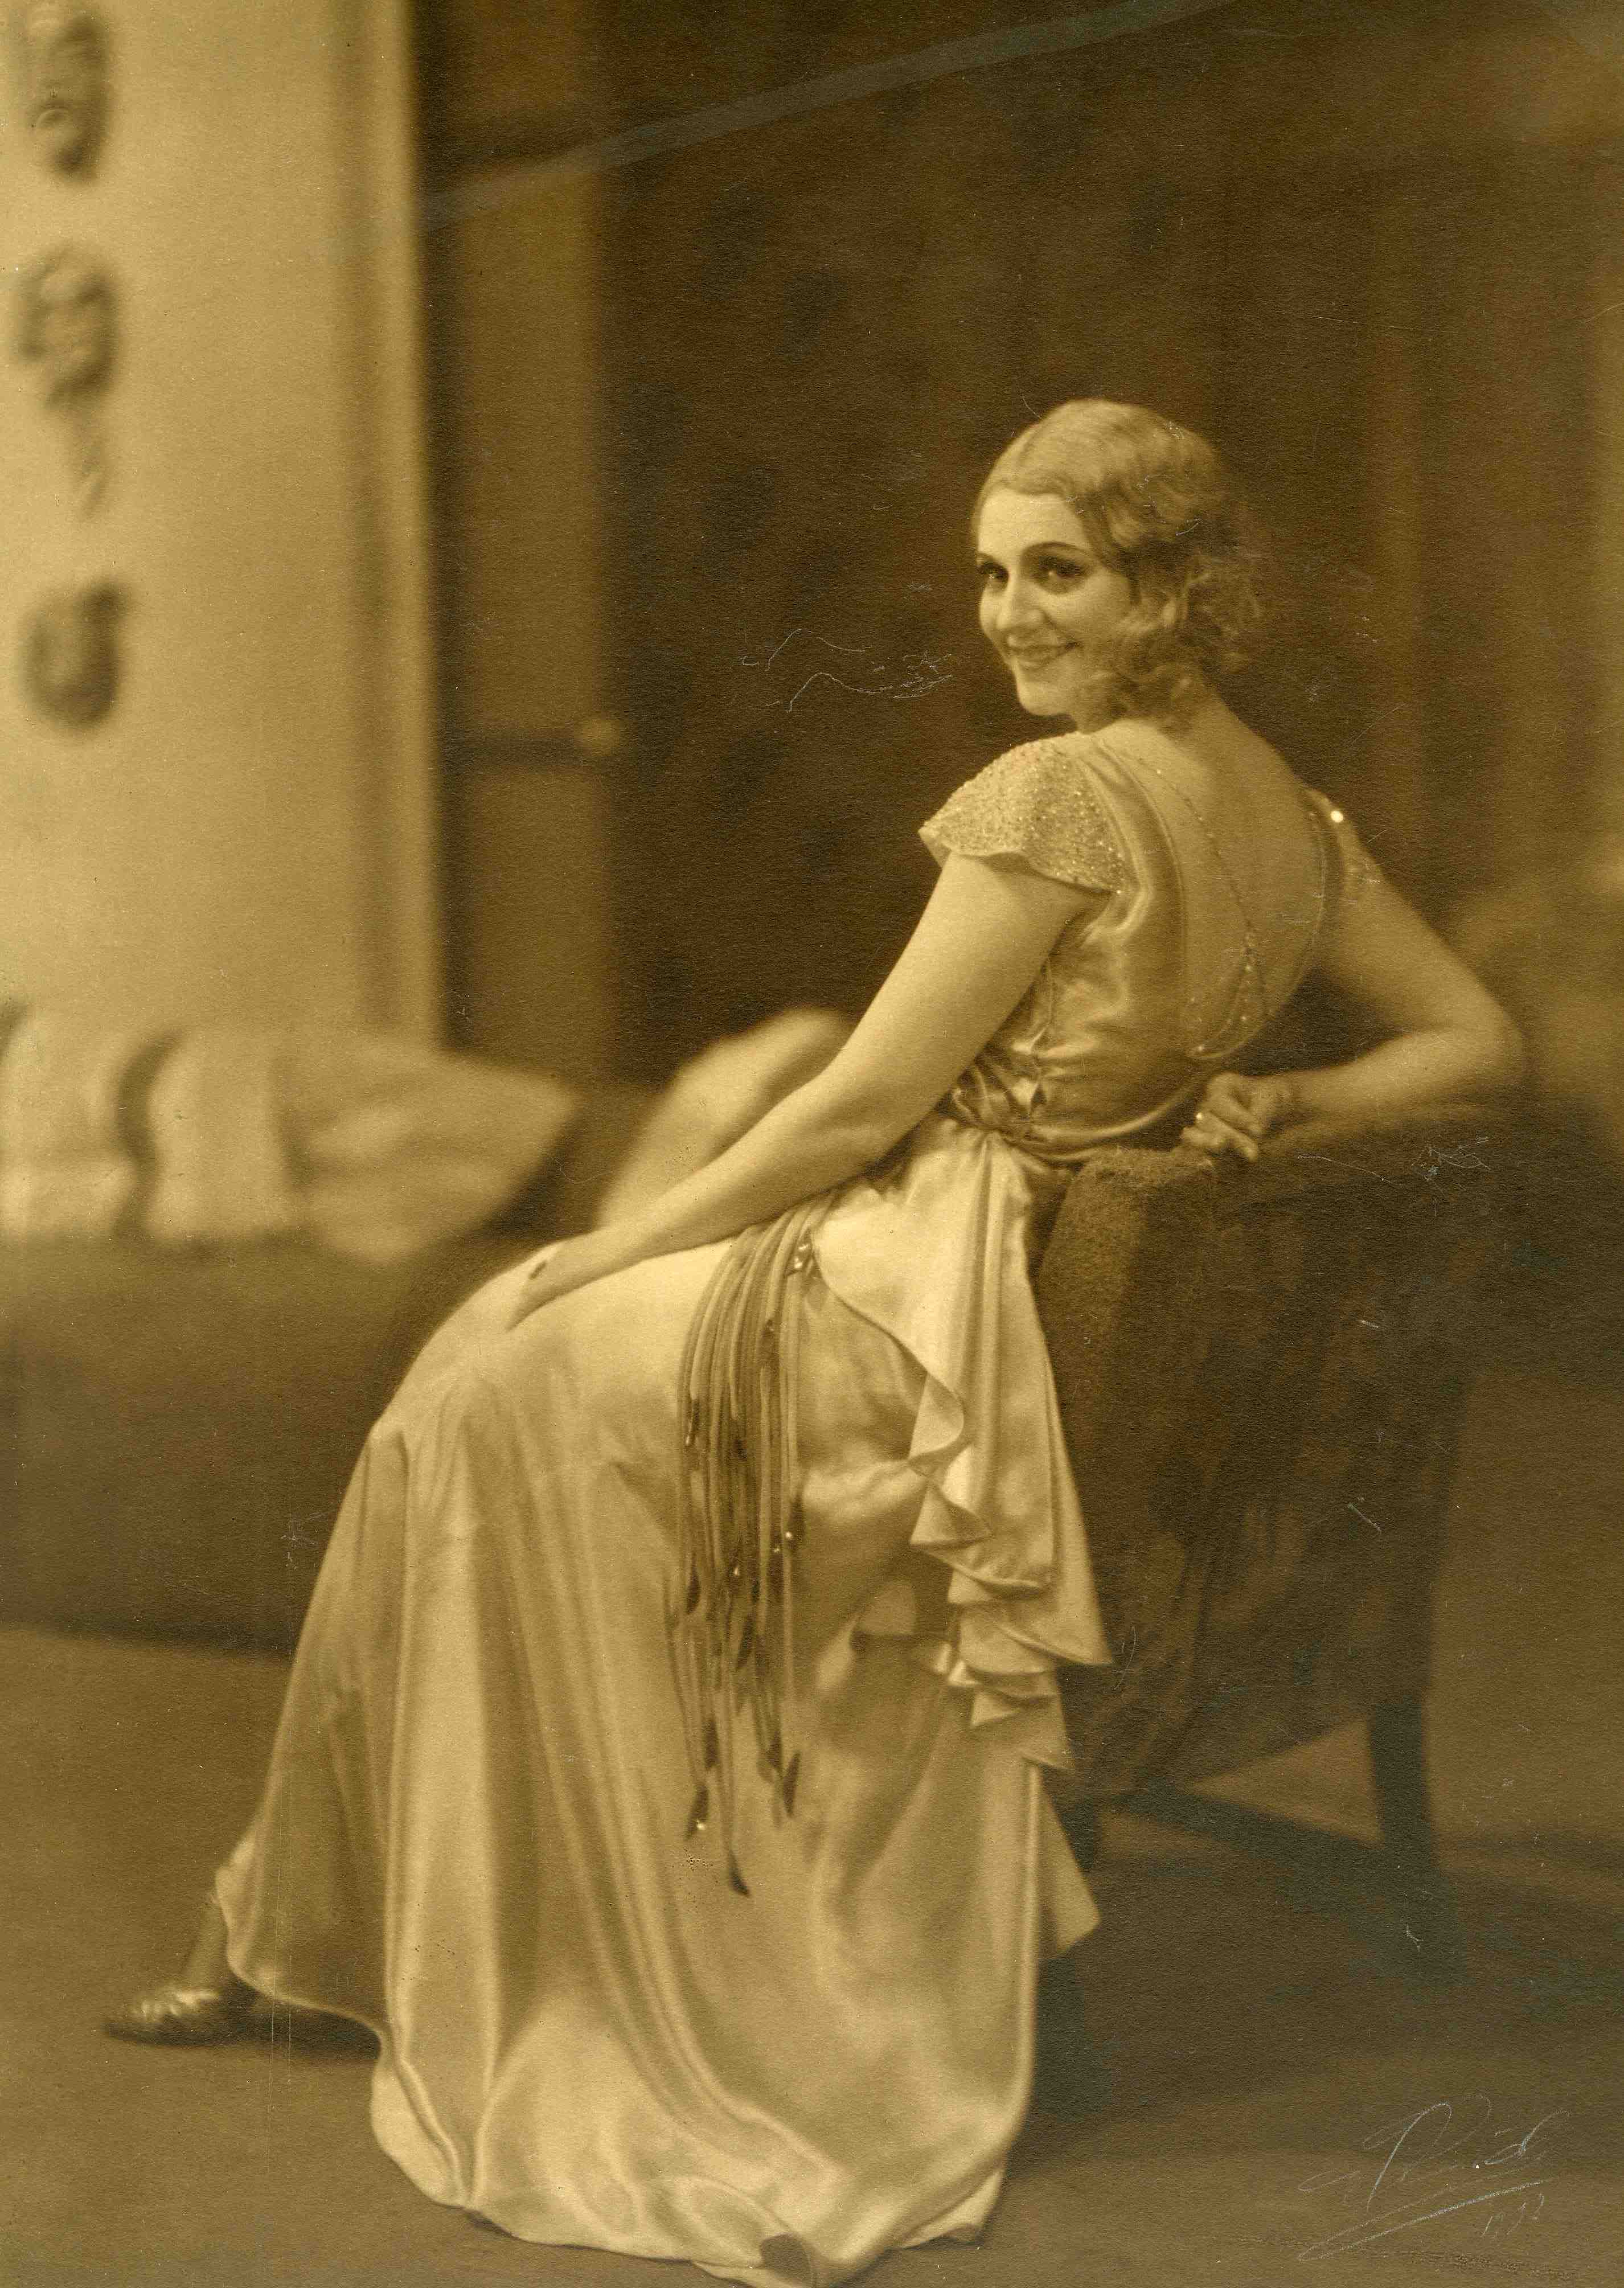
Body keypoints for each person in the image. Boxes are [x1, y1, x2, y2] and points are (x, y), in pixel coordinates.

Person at [107, 401, 1522, 2285]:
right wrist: (1303, 1095)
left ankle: (340, 1939)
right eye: (991, 573)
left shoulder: (1063, 797)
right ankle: (354, 1923)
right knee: (476, 1388)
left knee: (473, 1379)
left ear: (1169, 588)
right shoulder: (1282, 806)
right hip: (1009, 1311)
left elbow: (859, 1104)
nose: (1008, 614)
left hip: (922, 1299)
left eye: (1058, 572)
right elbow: (1477, 1040)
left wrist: (604, 1250)